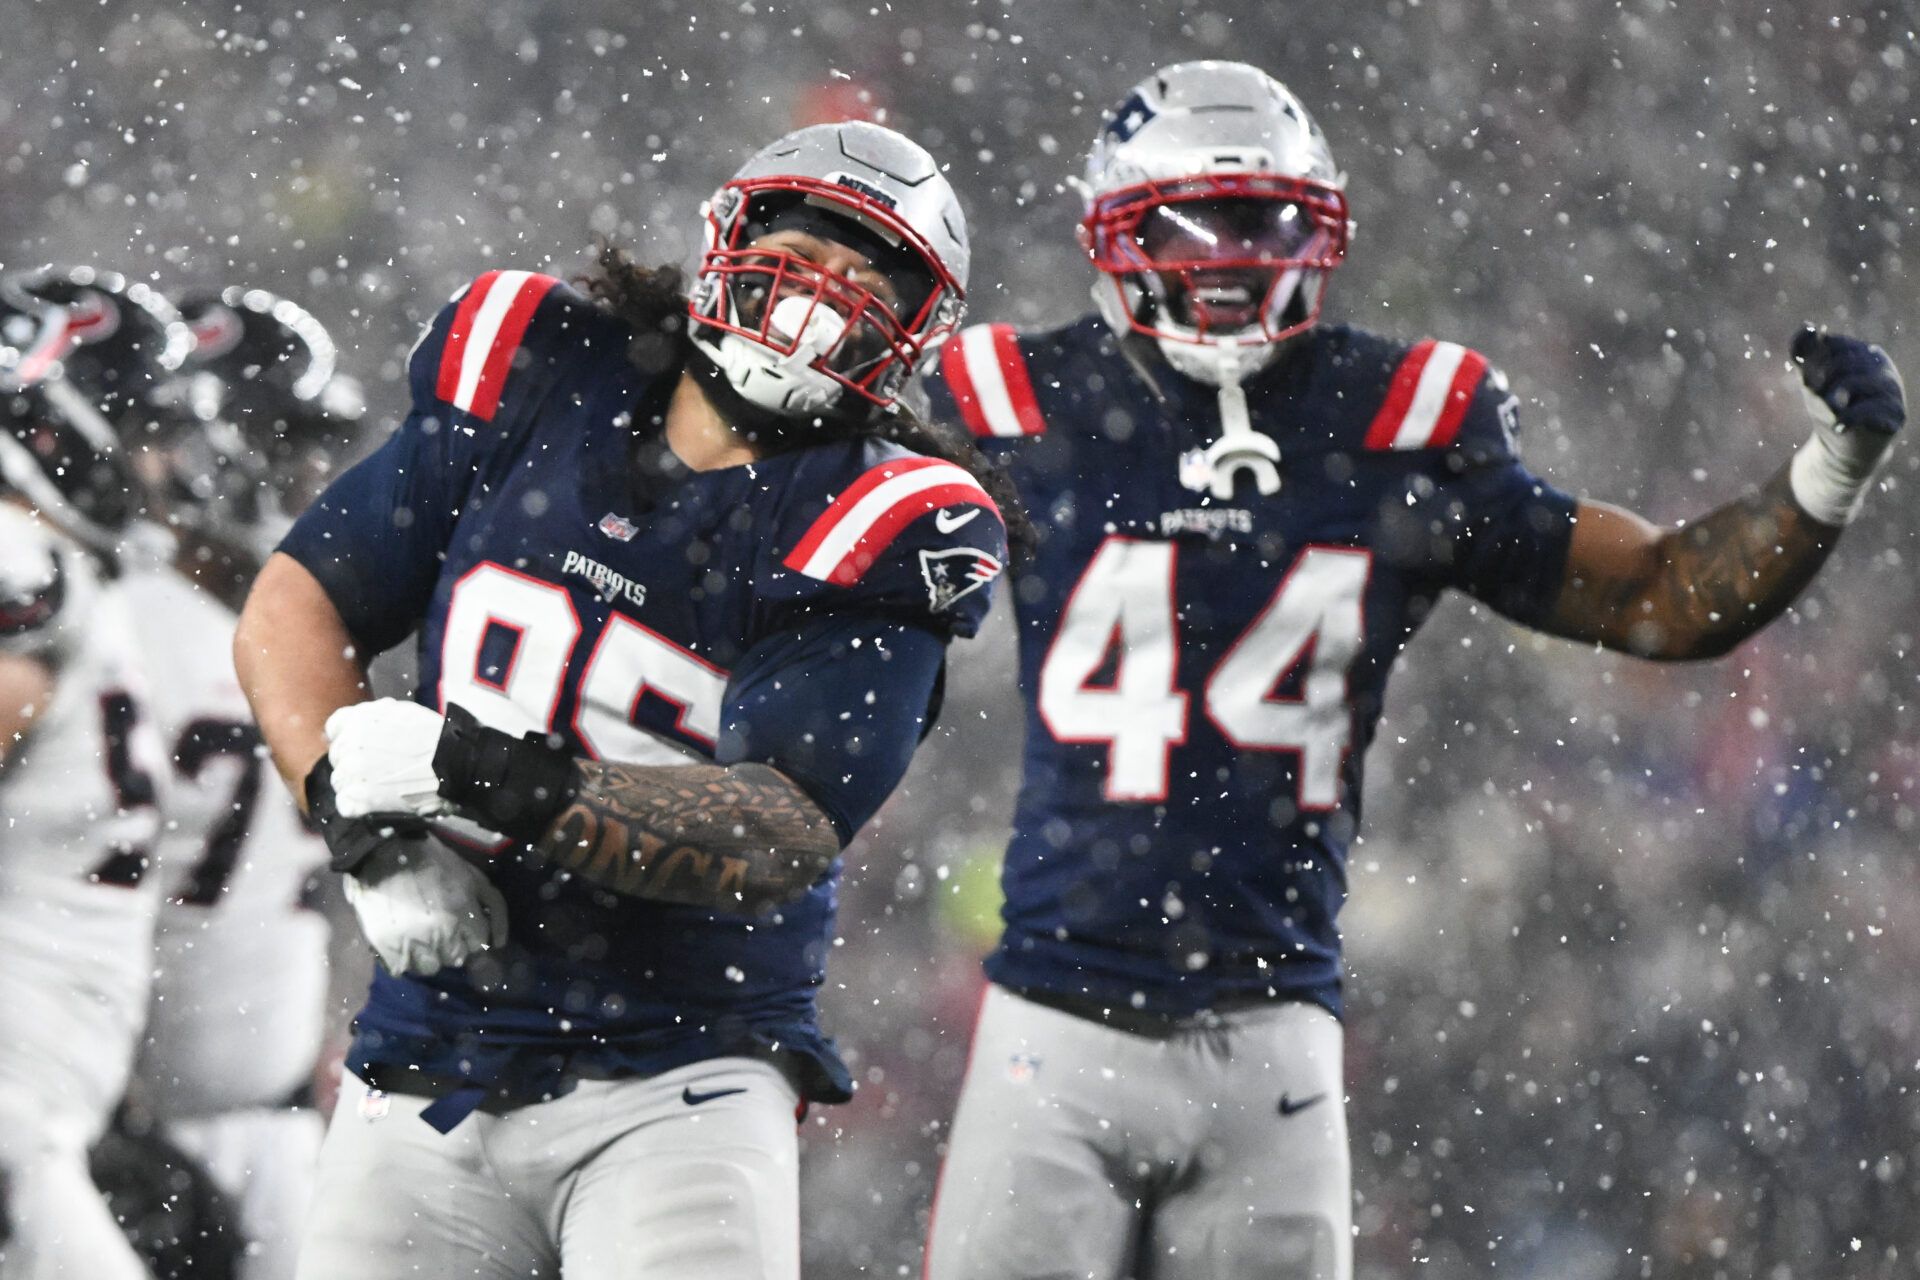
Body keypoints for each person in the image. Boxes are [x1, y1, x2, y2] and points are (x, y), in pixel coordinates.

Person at [917, 61, 1906, 1280]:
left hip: (1268, 1034)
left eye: (1260, 221)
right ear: (1114, 231)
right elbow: (817, 546)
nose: (1226, 260)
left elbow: (1659, 596)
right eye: (1192, 225)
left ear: (1320, 229)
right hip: (1056, 1026)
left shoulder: (1393, 422)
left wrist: (1827, 475)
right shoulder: (1015, 400)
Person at [231, 119, 1021, 1280]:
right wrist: (365, 834)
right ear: (724, 243)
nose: (816, 300)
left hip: (681, 1076)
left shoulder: (883, 524)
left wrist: (479, 775)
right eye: (800, 254)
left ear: (911, 334)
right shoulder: (541, 368)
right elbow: (297, 604)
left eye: (864, 282)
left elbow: (778, 829)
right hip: (429, 1049)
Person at [121, 283, 361, 1280]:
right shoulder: (121, 628)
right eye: (287, 443)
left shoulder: (300, 638)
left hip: (271, 1131)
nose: (312, 481)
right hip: (124, 1129)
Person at [0, 272, 182, 1280]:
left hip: (43, 1117)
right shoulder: (22, 559)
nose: (153, 464)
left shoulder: (60, 569)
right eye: (140, 428)